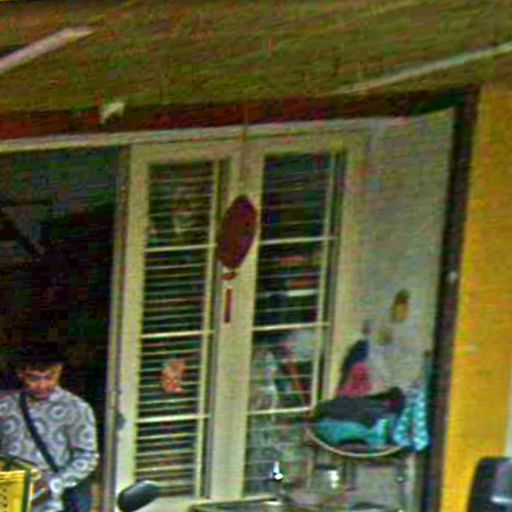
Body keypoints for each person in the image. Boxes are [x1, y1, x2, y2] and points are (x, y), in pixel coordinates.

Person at [0, 341, 99, 512]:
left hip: (54, 503)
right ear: (20, 374)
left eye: (49, 377)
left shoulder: (76, 408)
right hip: (10, 498)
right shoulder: (6, 406)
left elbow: (87, 457)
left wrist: (53, 484)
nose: (42, 385)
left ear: (59, 371)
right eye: (33, 378)